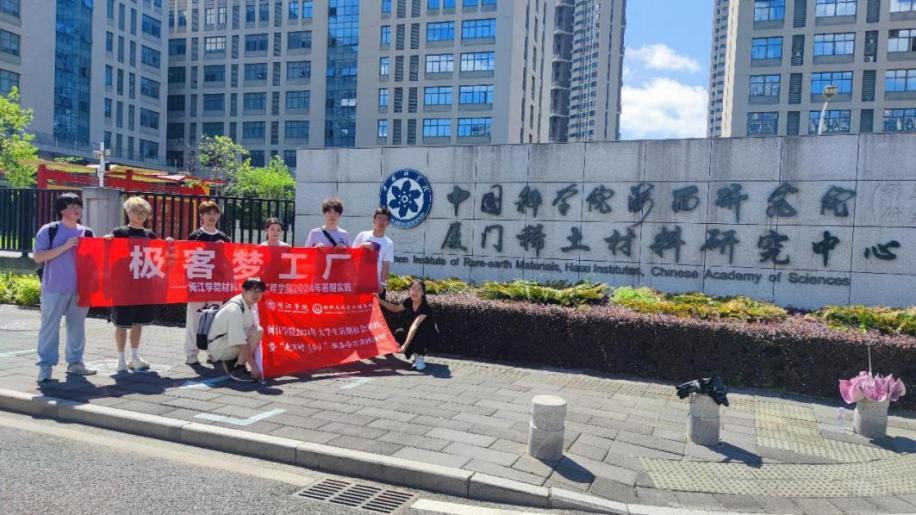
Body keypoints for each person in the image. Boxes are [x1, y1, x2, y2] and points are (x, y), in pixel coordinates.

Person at [103, 196, 172, 373]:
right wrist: (107, 240)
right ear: (127, 212)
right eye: (135, 211)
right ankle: (120, 359)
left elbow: (159, 255)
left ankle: (134, 356)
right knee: (121, 323)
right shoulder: (119, 233)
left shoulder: (150, 235)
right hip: (123, 284)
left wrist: (168, 243)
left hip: (143, 284)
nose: (139, 215)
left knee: (138, 322)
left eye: (143, 212)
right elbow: (106, 251)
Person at [33, 193, 97, 382]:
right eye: (71, 206)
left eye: (79, 206)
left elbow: (96, 259)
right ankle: (45, 367)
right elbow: (38, 257)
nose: (77, 209)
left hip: (80, 289)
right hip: (54, 287)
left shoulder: (87, 232)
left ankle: (75, 363)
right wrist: (65, 246)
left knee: (77, 328)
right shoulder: (50, 230)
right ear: (61, 210)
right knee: (49, 327)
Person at [184, 200, 231, 366]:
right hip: (197, 284)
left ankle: (213, 352)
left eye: (215, 213)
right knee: (194, 320)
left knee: (215, 320)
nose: (212, 217)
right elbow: (187, 258)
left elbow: (229, 261)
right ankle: (191, 354)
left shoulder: (223, 237)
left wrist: (224, 249)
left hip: (216, 284)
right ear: (201, 216)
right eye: (208, 213)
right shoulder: (195, 236)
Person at [207, 277, 266, 382]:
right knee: (256, 332)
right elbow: (240, 342)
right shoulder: (234, 309)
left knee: (256, 331)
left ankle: (232, 361)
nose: (256, 295)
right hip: (218, 349)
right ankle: (239, 369)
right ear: (244, 290)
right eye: (252, 291)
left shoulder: (247, 303)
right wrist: (254, 366)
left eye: (259, 292)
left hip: (224, 342)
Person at [377, 280, 436, 371]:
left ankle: (419, 357)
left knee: (420, 330)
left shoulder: (425, 307)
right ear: (409, 290)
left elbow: (415, 326)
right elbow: (396, 308)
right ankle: (415, 354)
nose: (415, 292)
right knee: (399, 332)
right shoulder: (409, 301)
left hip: (428, 335)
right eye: (413, 289)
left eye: (419, 290)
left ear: (423, 293)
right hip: (415, 331)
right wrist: (379, 300)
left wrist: (405, 345)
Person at [352, 207, 395, 299]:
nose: (381, 222)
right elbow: (351, 255)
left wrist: (382, 283)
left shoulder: (389, 243)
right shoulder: (362, 235)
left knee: (375, 308)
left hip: (375, 285)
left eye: (385, 219)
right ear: (374, 220)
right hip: (358, 282)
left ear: (388, 223)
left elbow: (385, 266)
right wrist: (363, 245)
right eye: (379, 218)